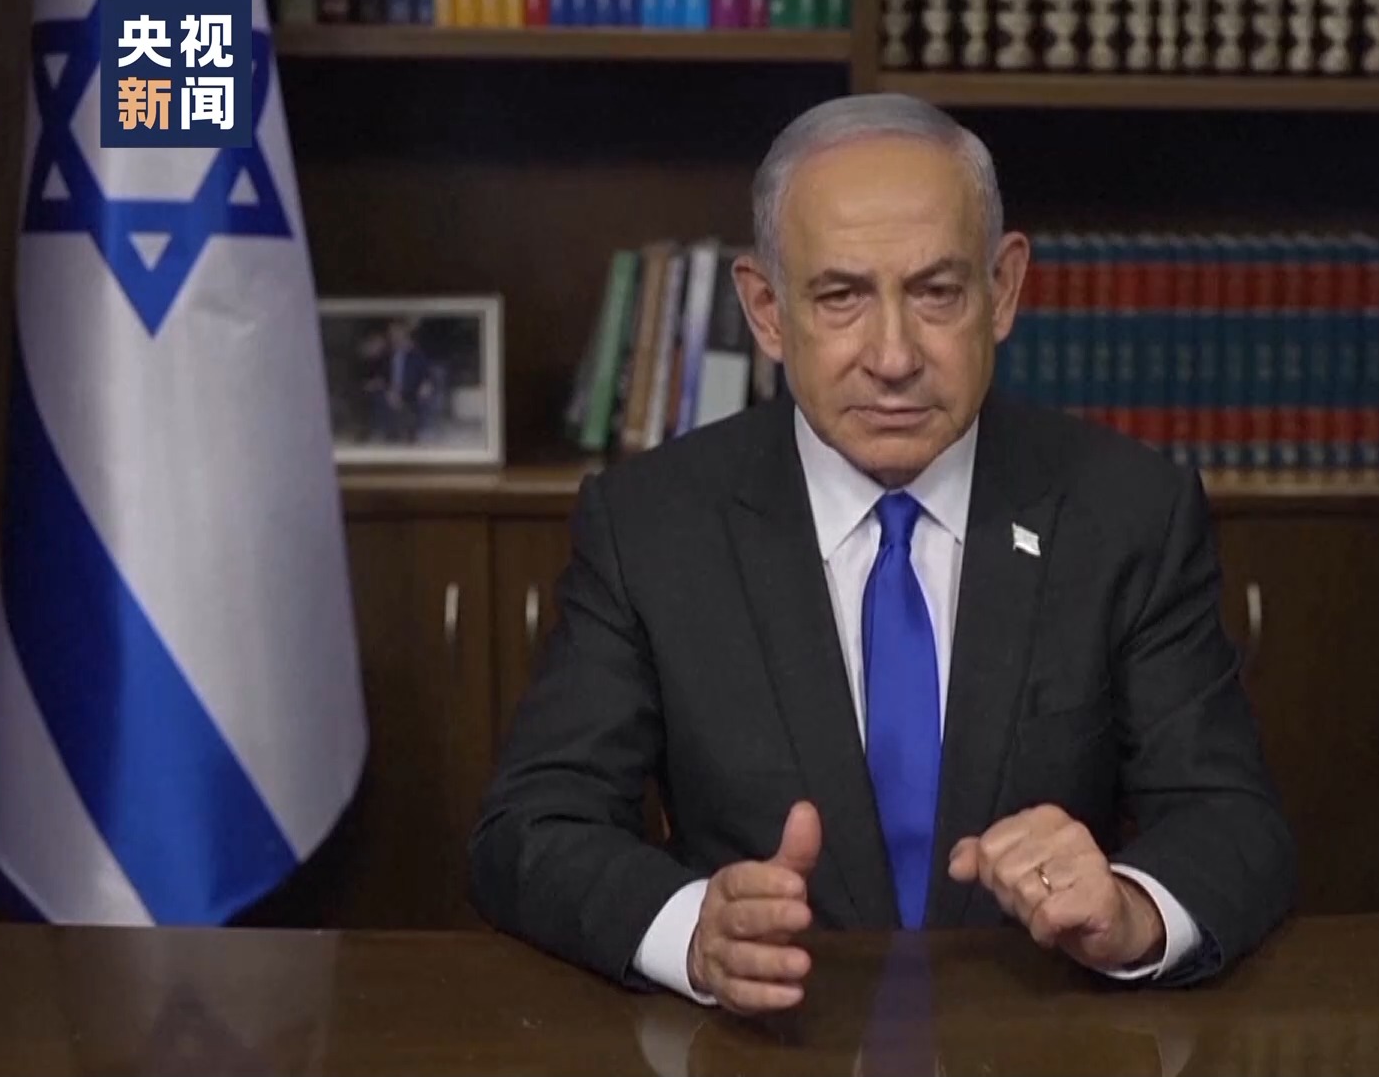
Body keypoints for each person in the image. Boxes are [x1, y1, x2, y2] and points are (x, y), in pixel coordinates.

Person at [468, 93, 1296, 1014]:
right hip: (764, 1043)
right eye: (841, 297)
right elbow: (530, 829)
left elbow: (1232, 819)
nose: (894, 357)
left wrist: (1133, 910)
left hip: (1036, 1034)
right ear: (767, 311)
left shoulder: (1129, 512)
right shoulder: (651, 525)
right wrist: (692, 932)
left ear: (1003, 290)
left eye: (937, 292)